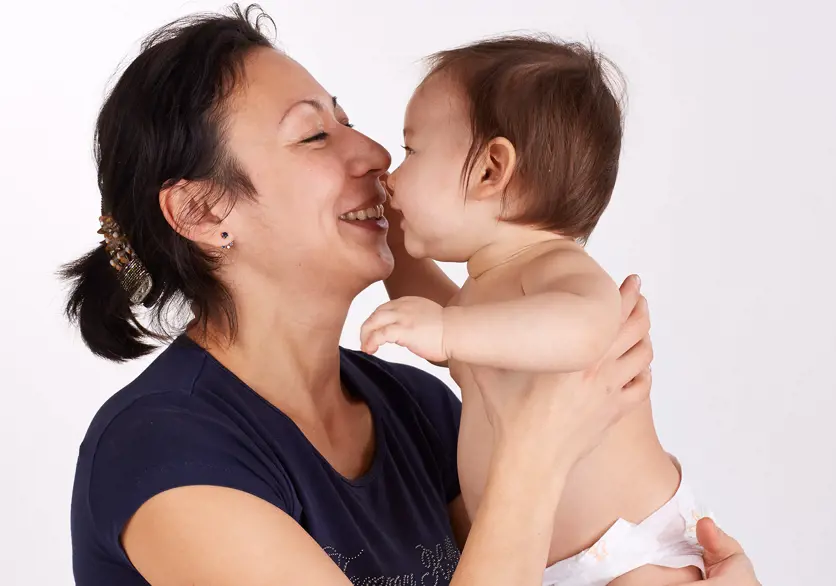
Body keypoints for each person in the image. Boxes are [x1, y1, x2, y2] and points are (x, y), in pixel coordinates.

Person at [61, 5, 760, 586]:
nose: (373, 152)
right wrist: (537, 454)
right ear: (202, 211)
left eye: (347, 119)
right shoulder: (165, 449)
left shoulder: (416, 410)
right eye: (314, 135)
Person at [361, 37, 707, 585]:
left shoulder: (554, 266)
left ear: (490, 170)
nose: (393, 176)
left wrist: (447, 330)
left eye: (411, 151)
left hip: (631, 554)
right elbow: (462, 335)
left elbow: (588, 328)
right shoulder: (485, 299)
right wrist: (396, 250)